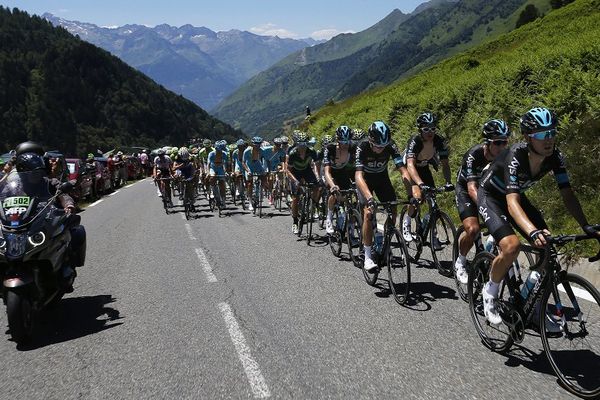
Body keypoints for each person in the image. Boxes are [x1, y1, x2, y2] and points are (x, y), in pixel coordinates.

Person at [477, 107, 600, 325]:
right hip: (492, 197)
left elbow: (567, 194)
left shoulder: (555, 157)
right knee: (511, 246)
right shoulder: (515, 155)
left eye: (552, 133)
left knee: (547, 250)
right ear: (527, 137)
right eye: (542, 135)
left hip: (516, 197)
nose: (549, 140)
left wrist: (586, 225)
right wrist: (532, 231)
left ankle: (529, 303)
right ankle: (490, 291)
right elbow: (511, 202)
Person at [453, 120, 510, 284]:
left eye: (505, 142)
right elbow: (471, 188)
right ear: (487, 142)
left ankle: (487, 255)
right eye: (497, 143)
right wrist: (488, 209)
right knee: (472, 229)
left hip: (487, 190)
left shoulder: (506, 157)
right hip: (466, 188)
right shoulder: (474, 155)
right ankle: (460, 262)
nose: (502, 147)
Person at [355, 121, 404, 271]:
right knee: (368, 213)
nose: (380, 149)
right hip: (365, 181)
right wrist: (369, 197)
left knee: (393, 209)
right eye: (377, 146)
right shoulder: (362, 146)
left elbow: (402, 170)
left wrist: (412, 191)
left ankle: (385, 244)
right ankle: (368, 256)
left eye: (383, 146)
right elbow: (358, 175)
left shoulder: (390, 145)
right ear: (370, 140)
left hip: (382, 180)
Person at [401, 112, 454, 245]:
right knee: (417, 198)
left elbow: (445, 164)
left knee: (432, 201)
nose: (430, 132)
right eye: (426, 129)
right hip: (410, 167)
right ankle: (406, 223)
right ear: (420, 129)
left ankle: (432, 233)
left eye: (433, 128)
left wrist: (448, 182)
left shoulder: (439, 140)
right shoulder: (415, 140)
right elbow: (411, 165)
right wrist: (420, 183)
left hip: (424, 166)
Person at [286, 131, 321, 234]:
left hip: (306, 170)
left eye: (304, 143)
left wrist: (318, 177)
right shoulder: (292, 154)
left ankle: (313, 205)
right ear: (296, 143)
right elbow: (287, 170)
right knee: (295, 198)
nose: (302, 146)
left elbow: (316, 165)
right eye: (300, 144)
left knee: (317, 187)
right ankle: (295, 222)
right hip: (295, 173)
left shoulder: (312, 151)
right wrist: (295, 181)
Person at [323, 126, 356, 234]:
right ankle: (329, 217)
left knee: (350, 198)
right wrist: (332, 185)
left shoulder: (353, 147)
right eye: (342, 141)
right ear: (337, 139)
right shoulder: (330, 148)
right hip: (332, 174)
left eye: (347, 141)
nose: (345, 144)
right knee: (334, 194)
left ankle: (350, 229)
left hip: (344, 173)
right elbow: (326, 171)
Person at [242, 136, 268, 212]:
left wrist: (266, 170)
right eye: (256, 144)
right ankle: (250, 202)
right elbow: (243, 162)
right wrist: (247, 171)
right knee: (250, 184)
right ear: (253, 144)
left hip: (258, 165)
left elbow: (265, 160)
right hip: (249, 166)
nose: (257, 146)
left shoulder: (262, 151)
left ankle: (261, 190)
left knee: (263, 176)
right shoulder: (247, 151)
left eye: (259, 144)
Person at [207, 140, 229, 207]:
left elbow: (225, 164)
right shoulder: (211, 154)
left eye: (219, 150)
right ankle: (212, 191)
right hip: (213, 168)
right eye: (217, 149)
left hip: (220, 169)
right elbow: (208, 164)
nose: (218, 151)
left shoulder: (224, 154)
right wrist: (208, 172)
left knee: (222, 184)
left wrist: (225, 172)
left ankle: (223, 200)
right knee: (212, 177)